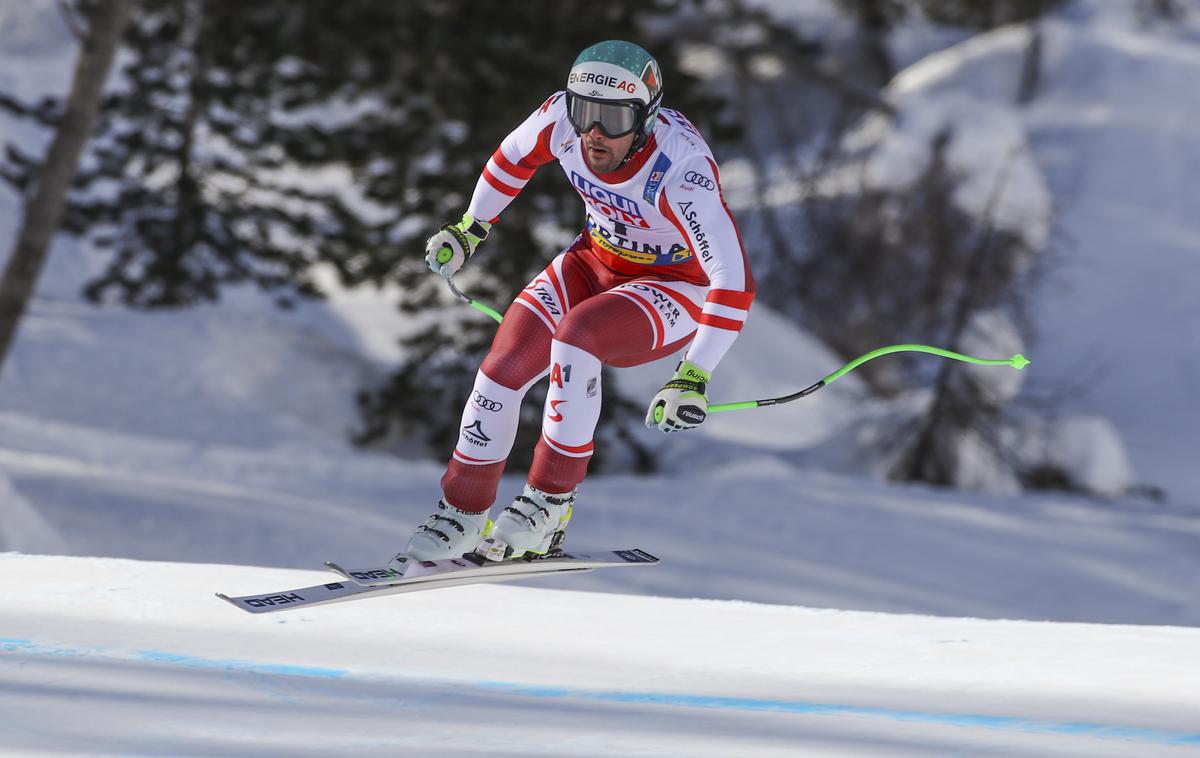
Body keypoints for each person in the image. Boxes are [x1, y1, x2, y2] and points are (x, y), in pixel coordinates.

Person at [406, 40, 755, 562]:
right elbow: (510, 161)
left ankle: (549, 505)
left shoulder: (680, 170)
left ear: (645, 119)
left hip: (676, 286)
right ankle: (462, 511)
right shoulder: (560, 122)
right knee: (503, 365)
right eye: (584, 112)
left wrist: (694, 374)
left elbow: (733, 279)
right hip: (593, 261)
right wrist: (470, 229)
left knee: (577, 338)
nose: (593, 132)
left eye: (612, 120)